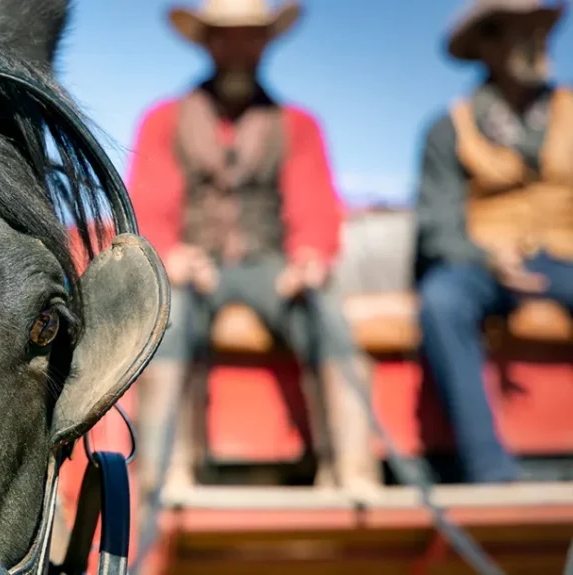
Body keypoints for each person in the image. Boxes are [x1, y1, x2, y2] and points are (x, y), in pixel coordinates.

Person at [128, 0, 381, 500]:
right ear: (209, 44)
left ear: (266, 43)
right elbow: (150, 201)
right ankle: (165, 472)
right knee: (169, 315)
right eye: (228, 37)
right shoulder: (163, 120)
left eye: (251, 37)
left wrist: (310, 257)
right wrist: (171, 255)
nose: (240, 48)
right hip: (194, 262)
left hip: (271, 264)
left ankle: (350, 466)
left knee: (325, 313)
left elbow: (314, 203)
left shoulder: (298, 125)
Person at [416, 0, 572, 484]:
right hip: (483, 262)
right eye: (513, 30)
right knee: (441, 302)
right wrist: (487, 257)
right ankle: (490, 470)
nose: (532, 41)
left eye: (537, 28)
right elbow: (438, 223)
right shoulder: (449, 128)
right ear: (485, 46)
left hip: (566, 257)